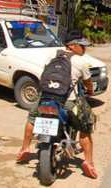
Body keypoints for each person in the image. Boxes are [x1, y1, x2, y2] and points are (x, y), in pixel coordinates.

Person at [16, 30, 99, 179]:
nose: (84, 49)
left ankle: (25, 148)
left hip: (45, 98)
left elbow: (45, 74)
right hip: (67, 102)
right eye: (82, 46)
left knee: (32, 118)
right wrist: (90, 91)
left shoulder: (52, 55)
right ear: (73, 46)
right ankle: (88, 162)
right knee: (86, 125)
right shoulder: (81, 62)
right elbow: (88, 83)